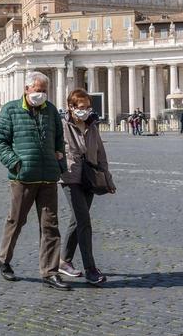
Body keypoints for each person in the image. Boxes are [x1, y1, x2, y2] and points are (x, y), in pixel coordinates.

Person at [0, 71, 69, 290]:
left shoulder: (51, 111)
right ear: (27, 89)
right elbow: (0, 142)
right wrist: (15, 163)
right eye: (38, 91)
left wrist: (60, 166)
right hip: (23, 177)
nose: (41, 95)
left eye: (44, 91)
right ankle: (3, 259)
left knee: (50, 226)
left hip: (48, 177)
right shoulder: (11, 110)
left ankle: (50, 271)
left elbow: (58, 142)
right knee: (16, 221)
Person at [59, 88, 116, 286]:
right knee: (84, 220)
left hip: (90, 177)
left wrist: (107, 179)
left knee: (77, 219)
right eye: (82, 108)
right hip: (70, 177)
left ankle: (64, 261)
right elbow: (55, 150)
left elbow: (101, 153)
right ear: (71, 107)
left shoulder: (92, 125)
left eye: (88, 107)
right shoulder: (62, 125)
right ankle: (90, 269)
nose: (86, 111)